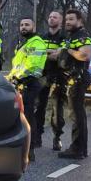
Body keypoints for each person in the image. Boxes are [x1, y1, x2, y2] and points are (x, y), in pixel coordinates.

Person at [8, 17, 48, 161]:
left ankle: (29, 152)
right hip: (20, 84)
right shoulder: (23, 44)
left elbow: (32, 65)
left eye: (27, 25)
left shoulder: (36, 43)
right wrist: (9, 79)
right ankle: (22, 149)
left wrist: (17, 78)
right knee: (20, 117)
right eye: (21, 24)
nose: (23, 27)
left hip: (30, 84)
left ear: (34, 27)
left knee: (28, 118)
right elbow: (17, 67)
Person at [58, 9, 91, 160]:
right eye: (66, 19)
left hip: (78, 79)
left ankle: (77, 149)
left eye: (71, 19)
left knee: (77, 115)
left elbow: (85, 55)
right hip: (72, 79)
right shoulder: (71, 36)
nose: (67, 22)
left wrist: (68, 50)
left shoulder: (83, 36)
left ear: (79, 21)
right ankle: (79, 148)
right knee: (76, 114)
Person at [36, 11, 67, 151]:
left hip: (59, 77)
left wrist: (47, 53)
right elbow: (39, 55)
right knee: (40, 107)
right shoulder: (42, 37)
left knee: (57, 109)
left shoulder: (65, 37)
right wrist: (52, 53)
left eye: (55, 17)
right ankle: (38, 137)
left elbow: (60, 56)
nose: (51, 18)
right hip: (43, 76)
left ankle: (57, 138)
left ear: (60, 21)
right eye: (49, 16)